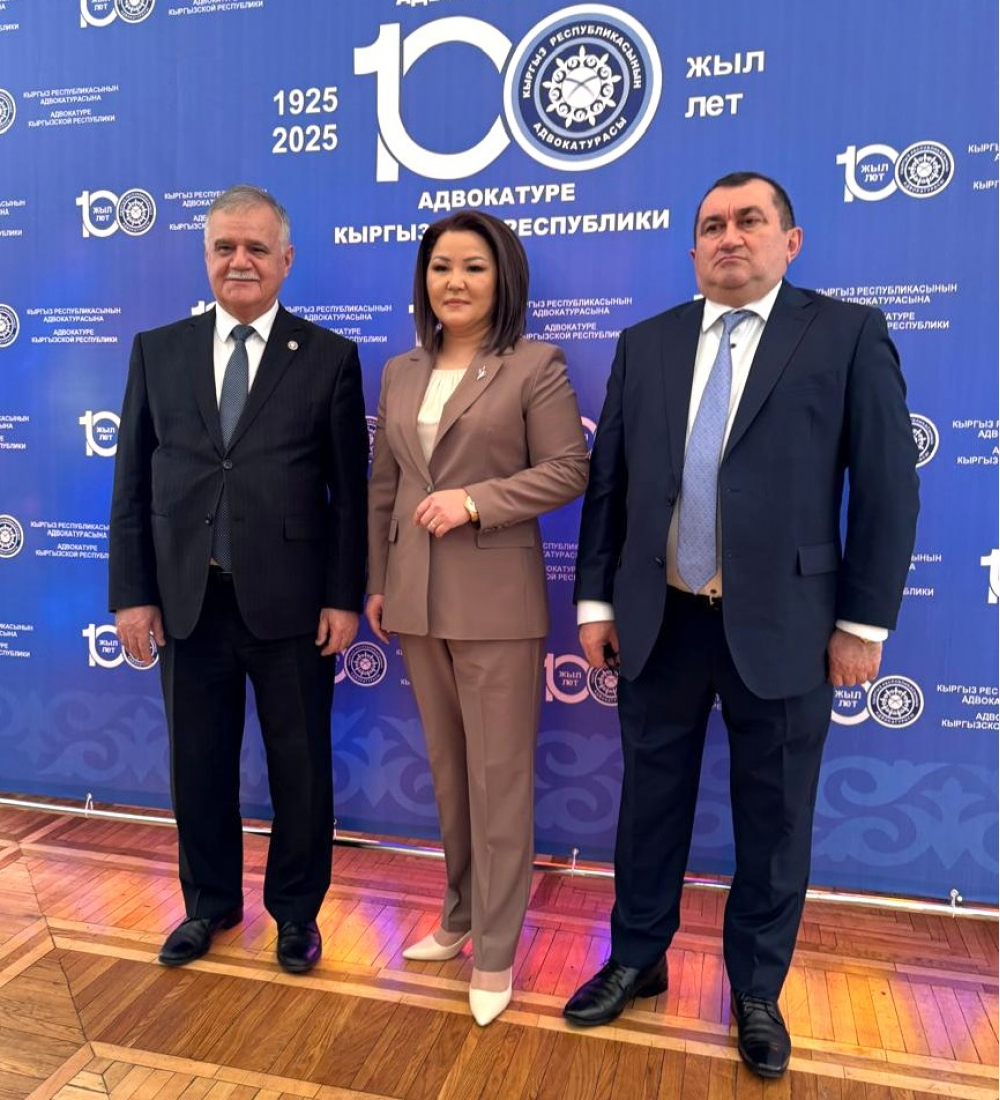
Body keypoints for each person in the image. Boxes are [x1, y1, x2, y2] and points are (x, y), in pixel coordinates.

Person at [563, 173, 919, 1077]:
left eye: (749, 221)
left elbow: (887, 489)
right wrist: (597, 602)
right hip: (662, 620)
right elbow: (611, 486)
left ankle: (757, 989)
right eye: (713, 225)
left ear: (789, 242)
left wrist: (863, 623)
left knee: (776, 816)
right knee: (648, 806)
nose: (730, 237)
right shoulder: (646, 343)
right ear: (692, 250)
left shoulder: (845, 333)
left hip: (791, 626)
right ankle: (636, 959)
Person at [108, 184, 368, 973]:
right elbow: (131, 484)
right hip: (187, 601)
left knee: (301, 771)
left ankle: (296, 914)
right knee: (198, 767)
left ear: (286, 260)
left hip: (292, 606)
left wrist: (342, 597)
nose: (240, 261)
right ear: (206, 256)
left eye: (257, 247)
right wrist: (132, 593)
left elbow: (349, 495)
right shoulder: (158, 350)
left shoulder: (328, 357)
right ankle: (208, 905)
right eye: (225, 247)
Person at [366, 210, 589, 1026]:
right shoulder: (399, 371)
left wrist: (475, 501)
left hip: (496, 603)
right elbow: (385, 486)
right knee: (451, 773)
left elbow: (569, 468)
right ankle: (459, 915)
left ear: (504, 279)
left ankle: (496, 948)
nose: (453, 282)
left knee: (499, 781)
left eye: (473, 267)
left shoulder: (534, 364)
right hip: (414, 599)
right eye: (440, 267)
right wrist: (378, 580)